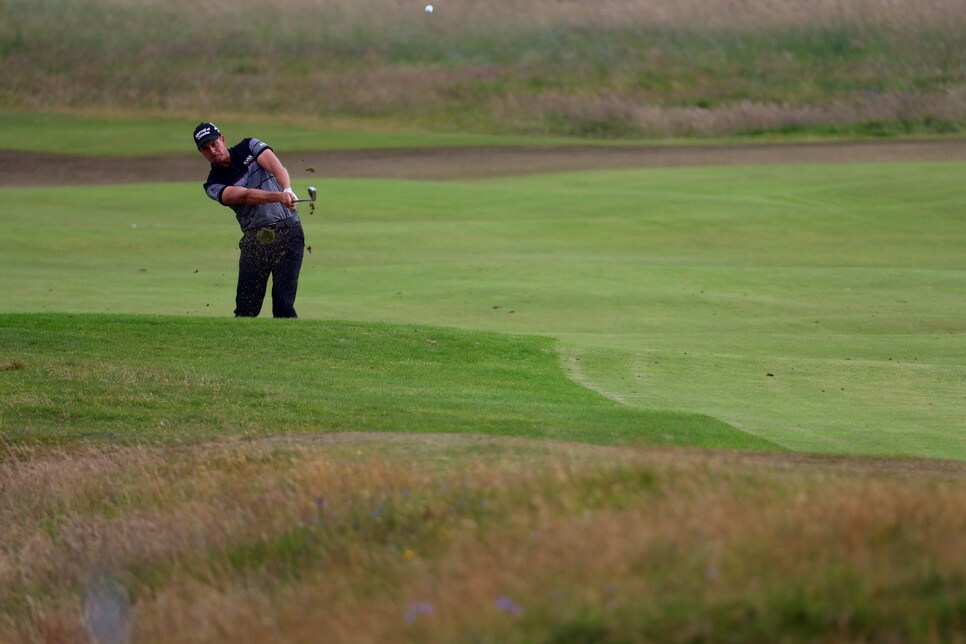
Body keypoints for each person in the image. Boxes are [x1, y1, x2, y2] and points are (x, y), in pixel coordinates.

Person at [194, 121, 305, 318]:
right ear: (202, 153)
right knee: (246, 309)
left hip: (290, 232)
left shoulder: (250, 146)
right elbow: (245, 195)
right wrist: (280, 197)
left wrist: (287, 188)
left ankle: (289, 348)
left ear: (222, 140)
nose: (212, 150)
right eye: (205, 148)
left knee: (284, 305)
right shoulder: (213, 185)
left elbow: (276, 166)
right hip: (257, 239)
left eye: (214, 144)